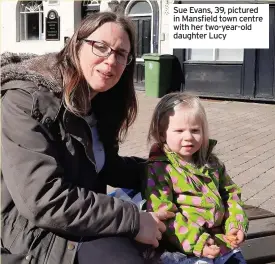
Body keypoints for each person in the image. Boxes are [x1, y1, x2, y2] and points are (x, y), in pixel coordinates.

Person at [1, 12, 174, 264]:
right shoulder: (25, 100)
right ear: (76, 44)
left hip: (81, 217)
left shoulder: (98, 101)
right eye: (101, 47)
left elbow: (104, 168)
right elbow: (43, 199)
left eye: (121, 54)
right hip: (33, 232)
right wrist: (134, 220)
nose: (111, 61)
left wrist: (168, 169)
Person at [144, 93, 249, 264]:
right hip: (183, 248)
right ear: (162, 134)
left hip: (222, 241)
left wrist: (236, 224)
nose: (188, 137)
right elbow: (164, 213)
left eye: (195, 130)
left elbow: (231, 194)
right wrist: (197, 241)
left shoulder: (211, 163)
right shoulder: (160, 169)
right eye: (179, 131)